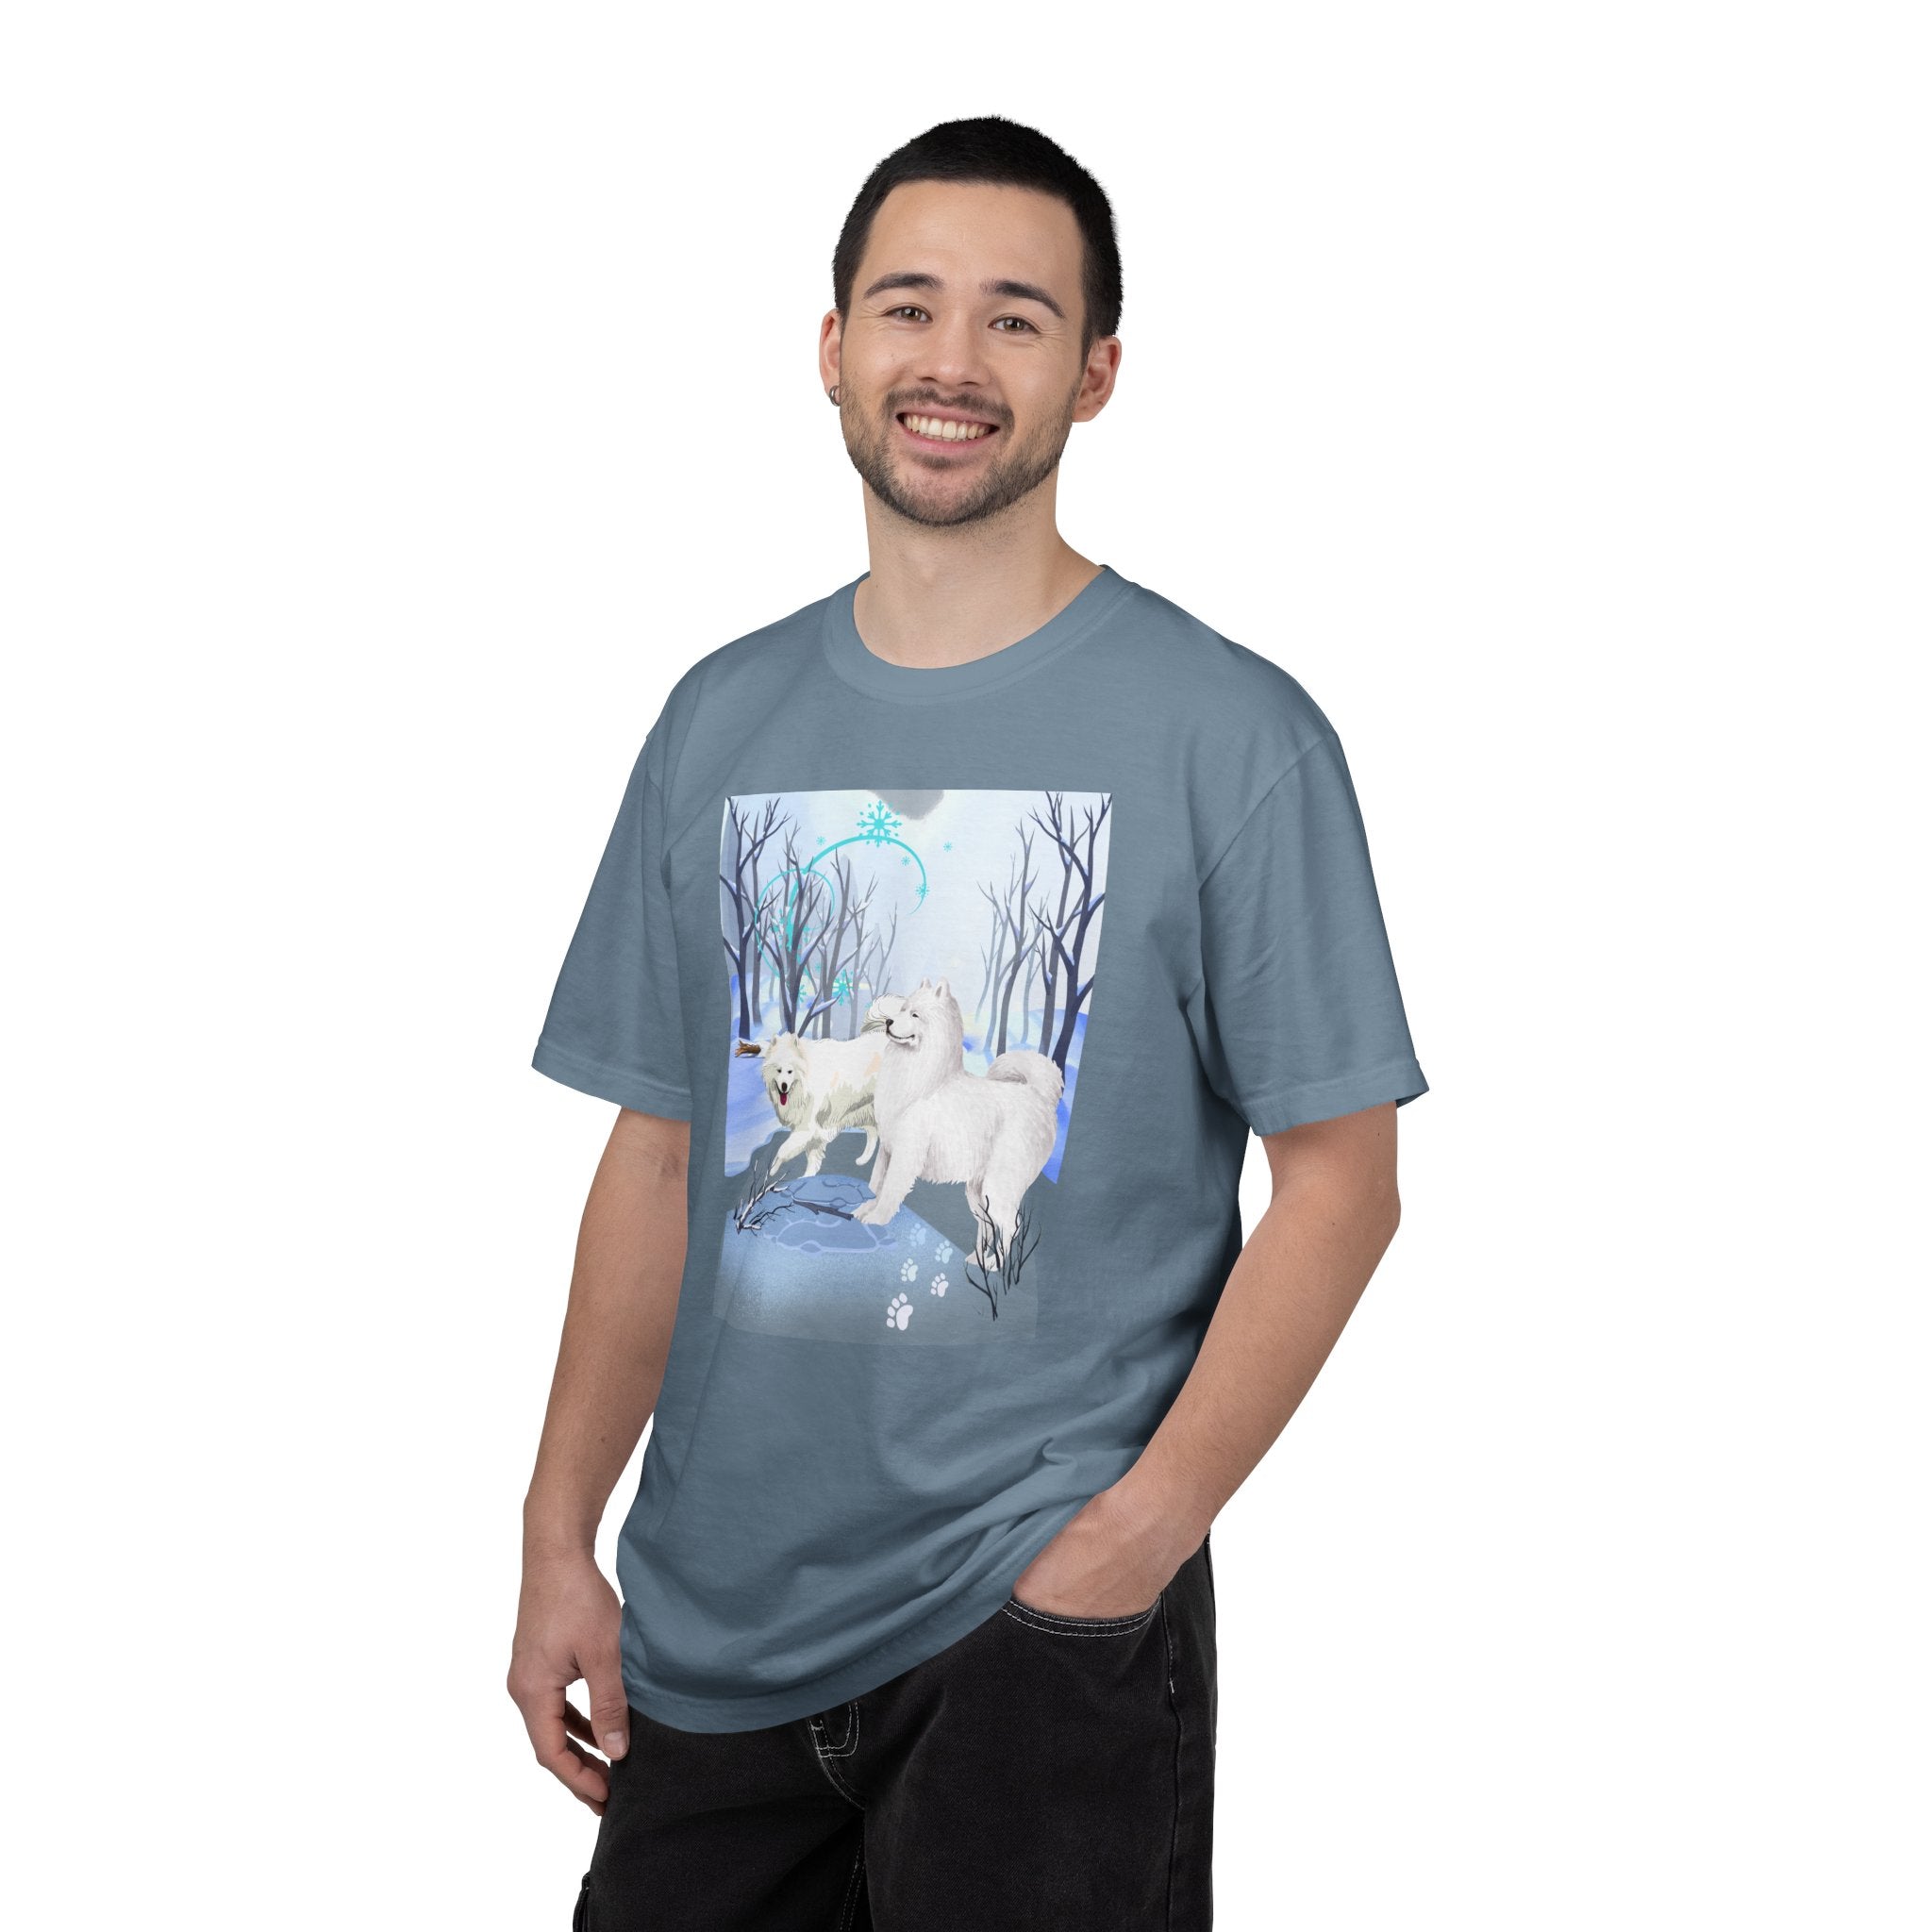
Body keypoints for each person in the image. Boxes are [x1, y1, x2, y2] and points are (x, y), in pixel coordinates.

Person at [508, 114, 1428, 1931]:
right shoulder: (718, 721)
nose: (951, 360)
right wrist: (557, 1535)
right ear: (831, 346)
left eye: (1017, 317)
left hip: (1038, 1635)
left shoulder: (1232, 733)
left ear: (1097, 373)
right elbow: (662, 1153)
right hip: (710, 1629)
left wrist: (1133, 1541)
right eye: (908, 306)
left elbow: (1343, 1181)